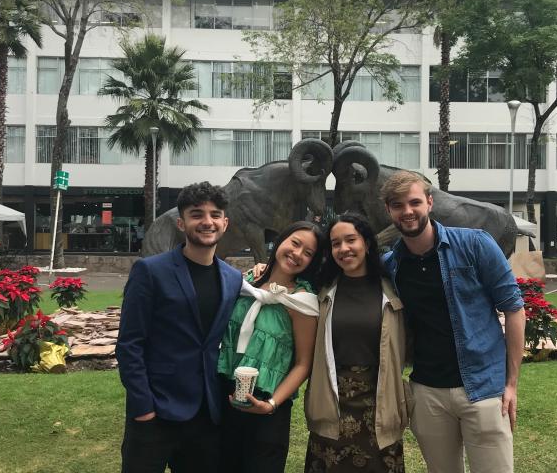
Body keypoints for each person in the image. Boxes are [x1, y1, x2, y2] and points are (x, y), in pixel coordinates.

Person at [380, 171, 526, 473]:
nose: (407, 211)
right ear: (388, 211)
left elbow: (514, 308)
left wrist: (511, 384)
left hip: (484, 389)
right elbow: (342, 271)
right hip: (427, 391)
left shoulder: (475, 245)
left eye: (414, 202)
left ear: (430, 202)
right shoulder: (391, 265)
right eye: (398, 205)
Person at [116, 181, 242, 473]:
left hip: (207, 415)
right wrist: (143, 407)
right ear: (181, 223)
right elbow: (129, 344)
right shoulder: (150, 271)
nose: (207, 221)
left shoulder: (233, 278)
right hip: (156, 410)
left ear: (225, 222)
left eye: (214, 214)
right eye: (197, 214)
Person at [304, 212, 410, 472]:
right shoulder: (320, 290)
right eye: (335, 243)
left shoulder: (394, 289)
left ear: (367, 243)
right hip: (330, 400)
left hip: (380, 402)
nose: (343, 248)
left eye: (350, 240)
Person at [217, 220, 324, 473]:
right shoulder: (246, 283)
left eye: (308, 253)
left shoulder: (302, 301)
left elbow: (303, 364)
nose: (297, 254)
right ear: (281, 241)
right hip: (223, 395)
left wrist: (271, 404)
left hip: (267, 408)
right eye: (295, 243)